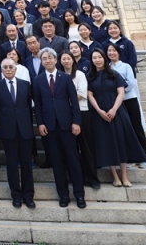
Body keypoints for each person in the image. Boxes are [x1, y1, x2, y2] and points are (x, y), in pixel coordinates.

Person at [87, 48, 146, 187]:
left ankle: (124, 175)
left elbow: (121, 93)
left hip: (117, 111)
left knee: (121, 142)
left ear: (104, 58)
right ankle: (114, 176)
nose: (97, 60)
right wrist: (100, 111)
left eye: (99, 57)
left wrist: (114, 109)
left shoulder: (114, 74)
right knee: (108, 144)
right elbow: (90, 95)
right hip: (99, 113)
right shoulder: (90, 76)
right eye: (94, 58)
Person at [34, 47, 86, 209]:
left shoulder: (65, 78)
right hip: (49, 127)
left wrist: (76, 122)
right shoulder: (38, 80)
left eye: (50, 58)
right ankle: (63, 195)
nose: (47, 60)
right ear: (41, 62)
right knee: (56, 161)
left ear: (55, 60)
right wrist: (40, 123)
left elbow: (74, 102)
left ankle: (79, 195)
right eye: (44, 58)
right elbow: (38, 104)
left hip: (67, 125)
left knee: (73, 160)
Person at [0, 58, 36, 208]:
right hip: (7, 130)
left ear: (16, 69)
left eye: (11, 67)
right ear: (2, 70)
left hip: (24, 129)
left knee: (26, 164)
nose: (8, 69)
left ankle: (28, 195)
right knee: (11, 164)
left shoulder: (25, 85)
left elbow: (30, 107)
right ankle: (16, 195)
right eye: (5, 67)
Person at [106, 43, 146, 168]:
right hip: (115, 102)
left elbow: (130, 82)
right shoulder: (107, 67)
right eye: (109, 51)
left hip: (129, 99)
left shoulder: (125, 66)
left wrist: (120, 92)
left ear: (118, 53)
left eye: (114, 51)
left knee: (136, 128)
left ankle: (145, 157)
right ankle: (129, 158)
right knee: (125, 129)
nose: (111, 53)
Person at [61, 51, 99, 189]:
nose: (66, 61)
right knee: (71, 149)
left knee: (86, 147)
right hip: (66, 114)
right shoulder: (59, 76)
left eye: (68, 58)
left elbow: (81, 94)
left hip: (82, 112)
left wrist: (64, 98)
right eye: (63, 59)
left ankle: (92, 178)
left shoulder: (80, 74)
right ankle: (77, 178)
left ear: (73, 60)